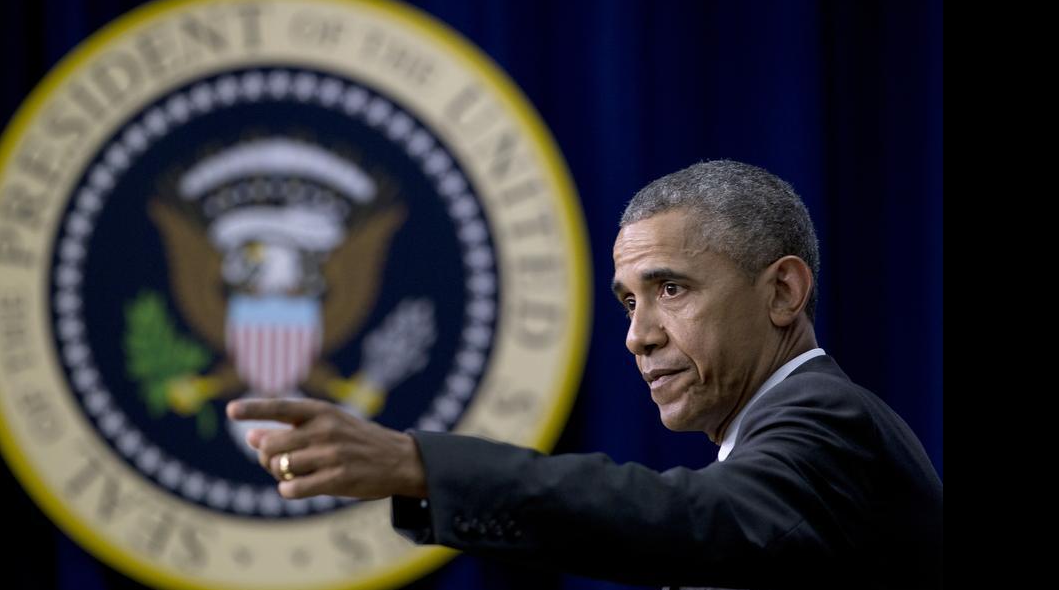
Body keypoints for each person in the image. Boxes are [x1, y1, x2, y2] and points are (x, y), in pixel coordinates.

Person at [227, 160, 944, 590]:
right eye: (629, 300)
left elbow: (683, 518)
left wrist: (420, 465)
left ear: (784, 291)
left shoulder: (828, 422)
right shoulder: (780, 447)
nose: (638, 336)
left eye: (672, 289)